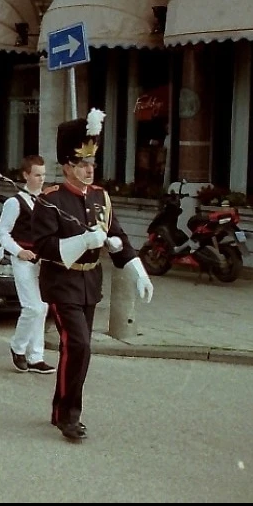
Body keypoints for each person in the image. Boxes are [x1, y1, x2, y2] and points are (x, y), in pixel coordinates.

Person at [30, 109, 154, 442]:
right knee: (80, 345)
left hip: (89, 283)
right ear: (67, 166)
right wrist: (84, 240)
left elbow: (120, 238)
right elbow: (44, 248)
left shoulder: (101, 197)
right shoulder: (50, 201)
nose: (89, 169)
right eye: (82, 164)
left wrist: (137, 271)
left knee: (77, 349)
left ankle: (61, 409)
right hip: (62, 283)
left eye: (92, 164)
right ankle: (69, 416)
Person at [0, 155, 56, 375]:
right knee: (33, 307)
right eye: (37, 175)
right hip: (22, 260)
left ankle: (36, 356)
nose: (41, 179)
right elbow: (2, 233)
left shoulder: (46, 201)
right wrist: (19, 251)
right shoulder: (15, 202)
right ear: (26, 175)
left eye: (43, 175)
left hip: (43, 261)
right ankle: (17, 346)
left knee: (44, 307)